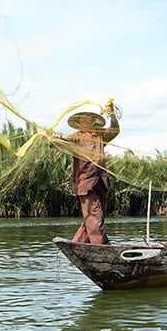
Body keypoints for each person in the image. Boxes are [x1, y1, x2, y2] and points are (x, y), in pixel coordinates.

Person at [62, 101, 120, 244]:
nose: (84, 120)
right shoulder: (76, 137)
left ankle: (78, 243)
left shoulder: (100, 135)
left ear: (93, 121)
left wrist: (112, 115)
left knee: (96, 216)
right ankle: (101, 246)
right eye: (82, 118)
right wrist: (49, 138)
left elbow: (115, 129)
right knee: (94, 216)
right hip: (86, 183)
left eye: (87, 118)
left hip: (101, 181)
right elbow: (61, 143)